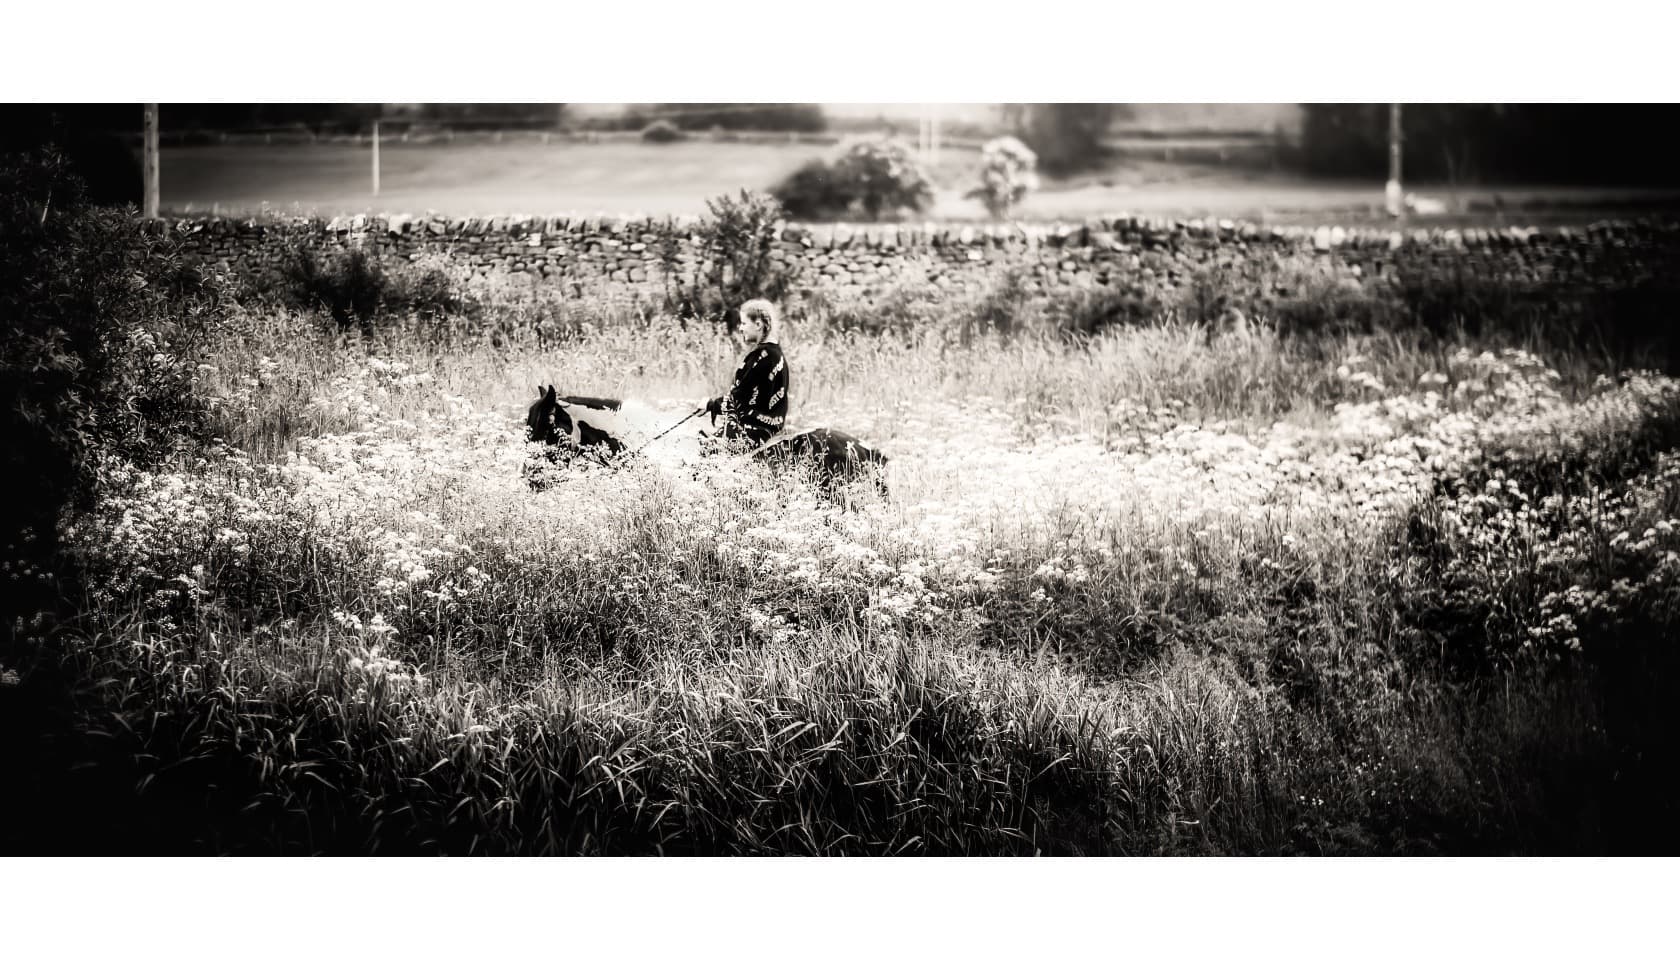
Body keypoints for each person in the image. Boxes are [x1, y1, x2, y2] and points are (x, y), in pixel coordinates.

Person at [704, 299, 788, 451]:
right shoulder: (776, 354)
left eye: (743, 323)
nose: (740, 328)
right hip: (769, 429)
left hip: (752, 433)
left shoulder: (761, 358)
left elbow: (737, 401)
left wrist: (709, 405)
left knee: (704, 454)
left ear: (758, 325)